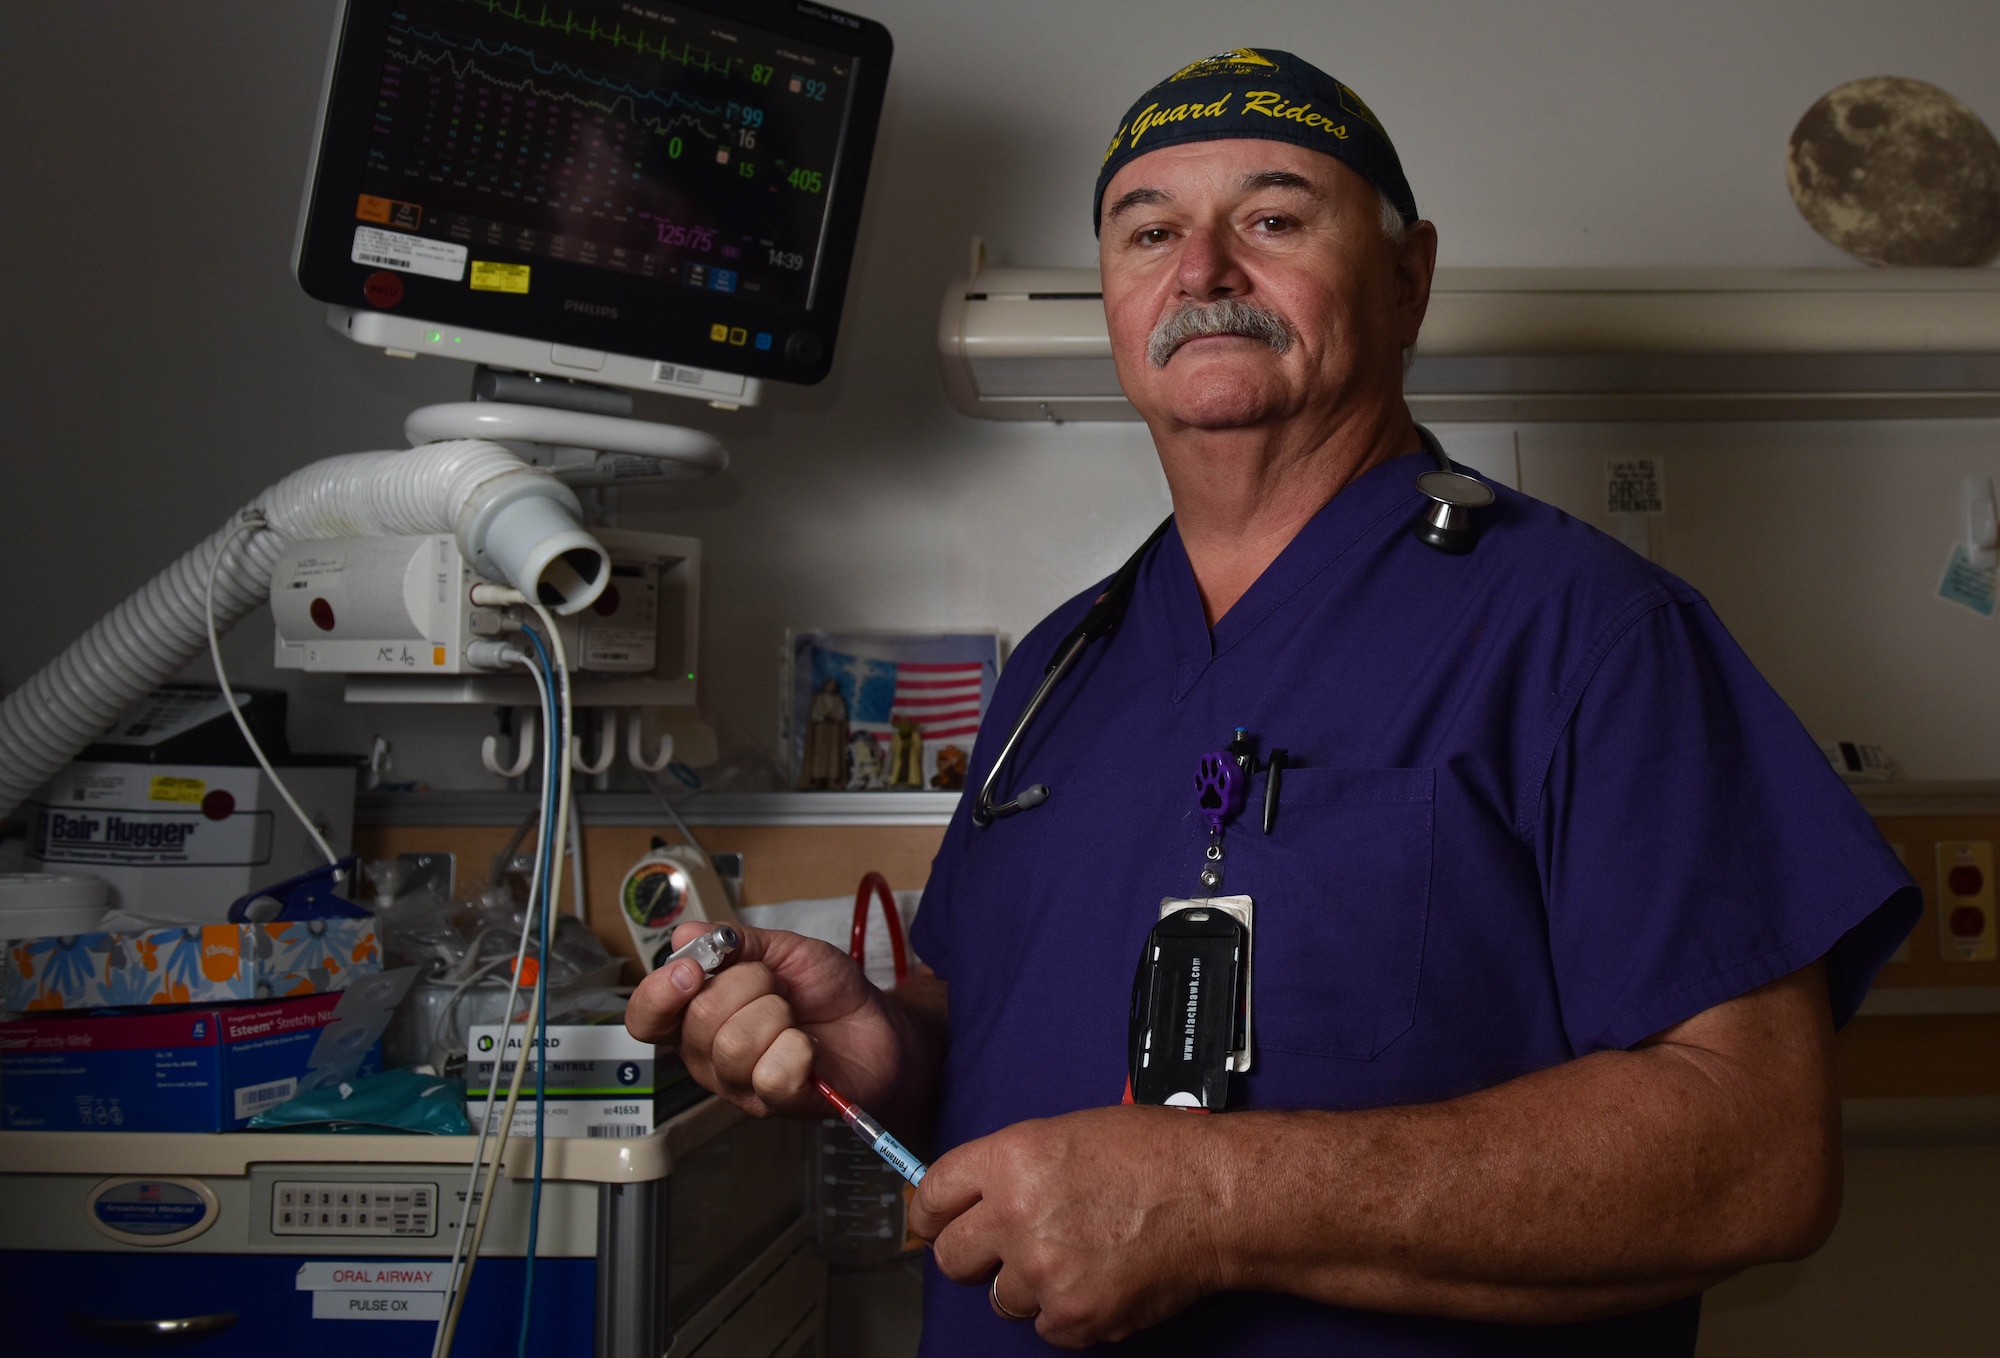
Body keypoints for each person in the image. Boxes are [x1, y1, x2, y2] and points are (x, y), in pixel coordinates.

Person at [628, 47, 1918, 1355]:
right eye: (1149, 231)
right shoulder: (1058, 669)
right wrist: (883, 1054)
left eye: (1274, 218)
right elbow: (1002, 1045)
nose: (1203, 270)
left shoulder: (1587, 633)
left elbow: (1759, 1151)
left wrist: (1209, 1200)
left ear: (1409, 278)